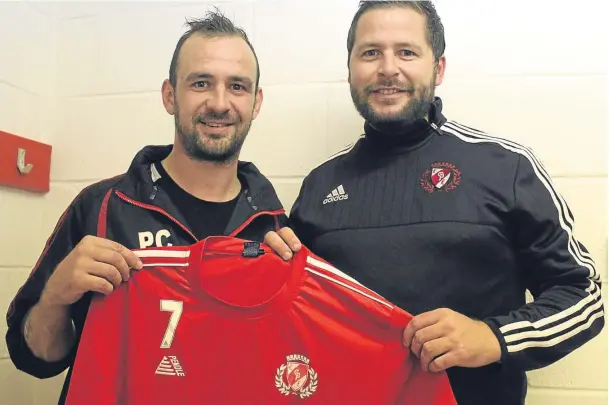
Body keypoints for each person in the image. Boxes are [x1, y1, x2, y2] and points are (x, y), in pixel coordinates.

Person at [263, 2, 605, 405]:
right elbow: (298, 313)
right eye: (370, 52)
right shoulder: (321, 184)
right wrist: (269, 272)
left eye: (406, 52)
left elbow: (584, 296)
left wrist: (493, 337)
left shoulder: (505, 166)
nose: (388, 68)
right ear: (351, 70)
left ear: (438, 69)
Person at [5, 10, 286, 405]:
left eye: (237, 86)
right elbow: (31, 358)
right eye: (201, 83)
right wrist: (55, 297)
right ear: (170, 95)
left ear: (256, 102)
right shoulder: (100, 207)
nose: (220, 103)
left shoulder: (276, 229)